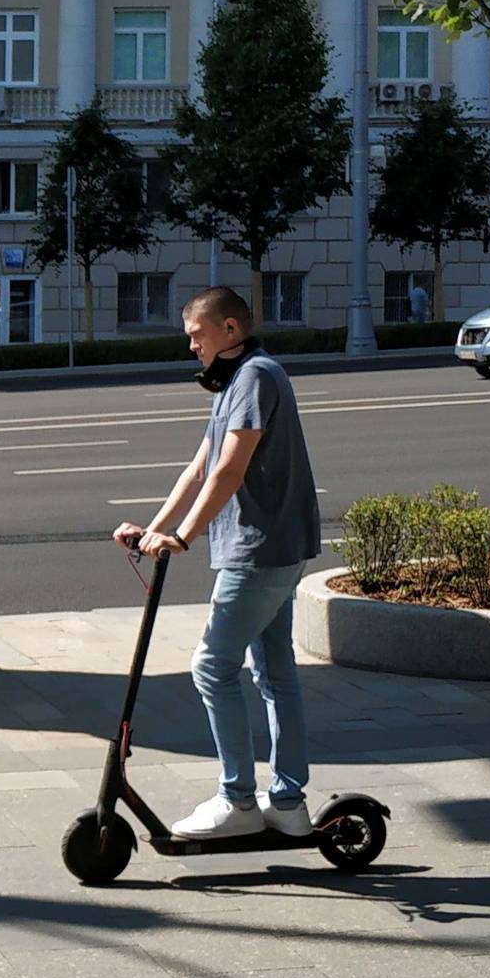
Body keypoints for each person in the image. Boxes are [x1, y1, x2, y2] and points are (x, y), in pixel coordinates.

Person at [113, 285, 322, 839]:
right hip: (268, 549)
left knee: (213, 667)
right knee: (273, 672)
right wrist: (153, 530)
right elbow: (199, 468)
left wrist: (181, 538)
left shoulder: (256, 376)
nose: (192, 347)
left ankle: (239, 802)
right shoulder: (235, 381)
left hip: (259, 552)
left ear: (230, 330)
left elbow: (230, 470)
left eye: (197, 335)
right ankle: (288, 803)